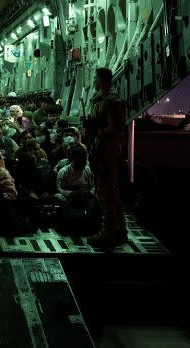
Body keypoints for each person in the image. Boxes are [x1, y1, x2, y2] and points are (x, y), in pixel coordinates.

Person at [83, 67, 128, 248]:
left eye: (95, 78)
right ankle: (119, 231)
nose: (93, 81)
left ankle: (108, 234)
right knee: (110, 192)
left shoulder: (111, 100)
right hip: (100, 151)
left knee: (106, 193)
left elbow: (117, 126)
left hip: (107, 153)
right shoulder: (100, 99)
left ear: (101, 80)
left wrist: (98, 132)